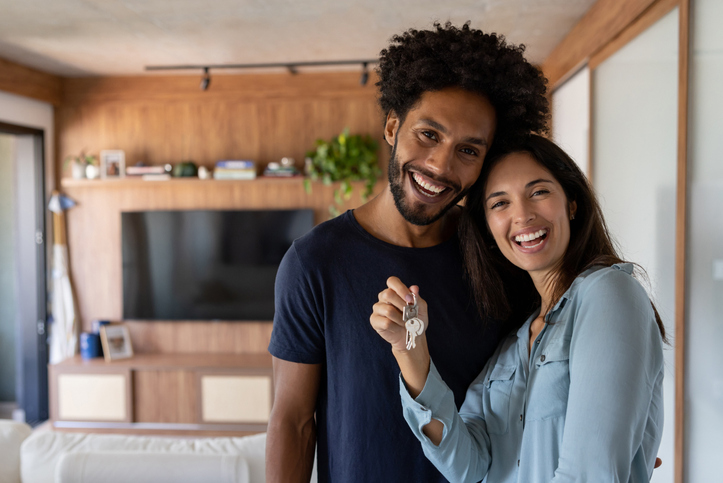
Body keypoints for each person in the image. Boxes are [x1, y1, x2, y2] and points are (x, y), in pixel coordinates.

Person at [266, 22, 549, 483]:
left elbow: (540, 383)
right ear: (393, 125)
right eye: (429, 135)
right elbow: (292, 421)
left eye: (469, 150)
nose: (440, 166)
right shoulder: (315, 262)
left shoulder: (501, 255)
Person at [371, 134, 666, 482]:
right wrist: (410, 348)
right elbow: (466, 466)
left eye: (538, 192)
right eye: (500, 203)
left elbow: (591, 474)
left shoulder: (608, 293)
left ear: (571, 203)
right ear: (488, 229)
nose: (522, 215)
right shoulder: (513, 343)